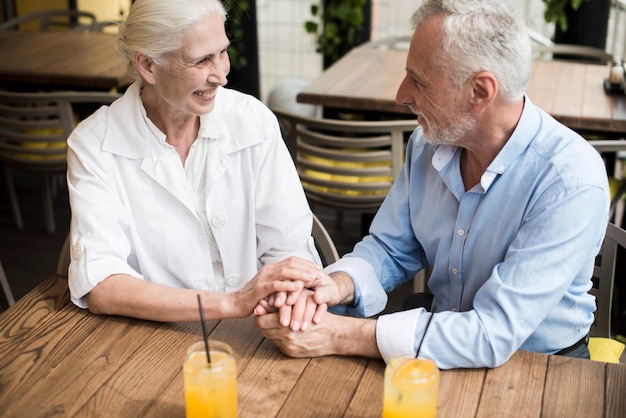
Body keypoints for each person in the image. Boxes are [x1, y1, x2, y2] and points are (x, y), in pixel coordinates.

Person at [255, 0, 610, 369]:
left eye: (419, 81)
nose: (401, 95)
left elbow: (490, 334)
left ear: (480, 92)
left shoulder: (569, 181)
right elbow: (391, 248)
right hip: (432, 347)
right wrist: (333, 285)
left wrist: (337, 334)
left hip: (544, 370)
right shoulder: (428, 143)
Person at [66, 0, 323, 322]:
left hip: (261, 323)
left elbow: (288, 248)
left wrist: (288, 301)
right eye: (202, 60)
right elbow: (101, 284)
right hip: (152, 335)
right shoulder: (95, 143)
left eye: (222, 53)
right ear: (148, 66)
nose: (221, 76)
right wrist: (230, 303)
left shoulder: (252, 120)